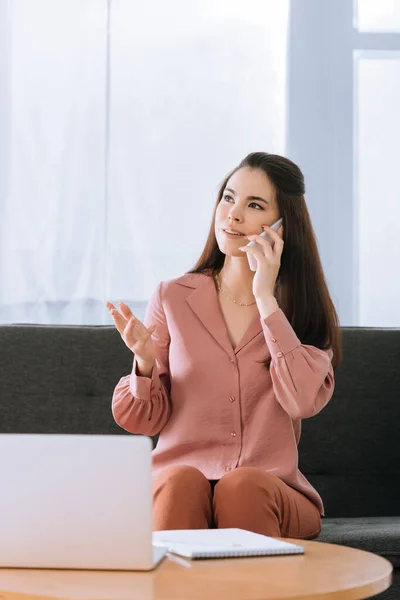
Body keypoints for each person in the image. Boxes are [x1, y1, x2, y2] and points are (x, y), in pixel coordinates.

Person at [106, 152, 342, 539]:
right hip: (177, 487)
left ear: (282, 226)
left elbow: (301, 402)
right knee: (181, 481)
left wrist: (266, 298)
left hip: (270, 489)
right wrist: (145, 365)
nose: (232, 214)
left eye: (254, 205)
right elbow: (141, 421)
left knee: (243, 486)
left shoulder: (303, 310)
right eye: (228, 198)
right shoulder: (172, 297)